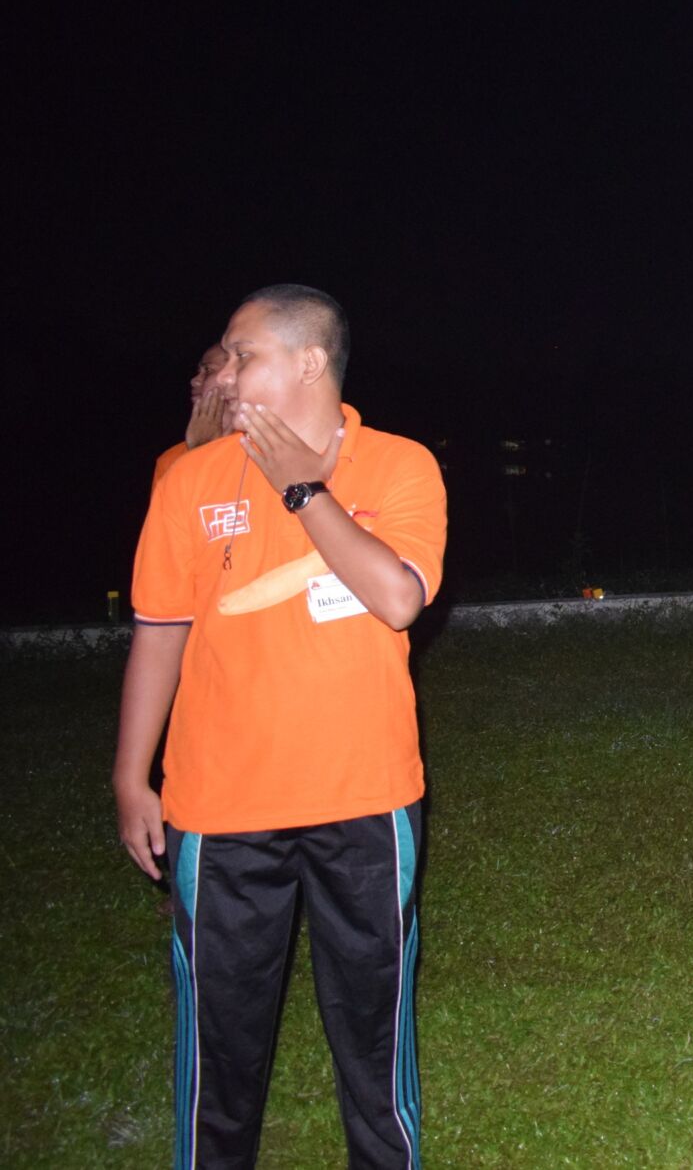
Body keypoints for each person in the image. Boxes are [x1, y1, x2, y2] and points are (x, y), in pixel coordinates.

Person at [115, 284, 447, 1167]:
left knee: (374, 1032)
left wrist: (301, 485)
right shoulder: (189, 480)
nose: (223, 371)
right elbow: (159, 632)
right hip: (220, 805)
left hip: (365, 799)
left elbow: (397, 597)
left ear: (309, 361)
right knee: (220, 1042)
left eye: (242, 353)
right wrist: (130, 773)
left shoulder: (400, 465)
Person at [152, 344, 235, 488]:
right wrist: (200, 449)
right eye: (198, 371)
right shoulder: (171, 460)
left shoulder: (261, 446)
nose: (195, 380)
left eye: (208, 370)